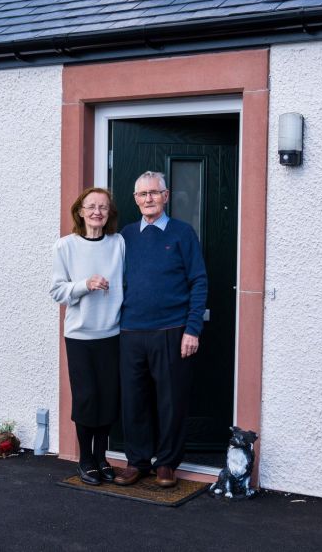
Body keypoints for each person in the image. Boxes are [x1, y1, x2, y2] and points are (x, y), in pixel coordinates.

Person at [114, 171, 207, 489]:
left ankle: (167, 463)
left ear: (166, 196)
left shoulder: (183, 233)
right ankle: (137, 461)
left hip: (172, 330)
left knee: (171, 400)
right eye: (142, 194)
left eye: (154, 193)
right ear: (136, 199)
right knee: (134, 400)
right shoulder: (125, 236)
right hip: (130, 331)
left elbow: (199, 281)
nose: (148, 199)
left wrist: (192, 329)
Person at [50, 187, 124, 486]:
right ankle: (85, 459)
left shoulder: (118, 244)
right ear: (80, 211)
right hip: (80, 336)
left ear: (109, 214)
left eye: (103, 207)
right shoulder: (64, 247)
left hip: (112, 333)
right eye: (91, 206)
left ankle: (102, 456)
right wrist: (84, 284)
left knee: (108, 397)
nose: (97, 212)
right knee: (86, 397)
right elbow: (56, 291)